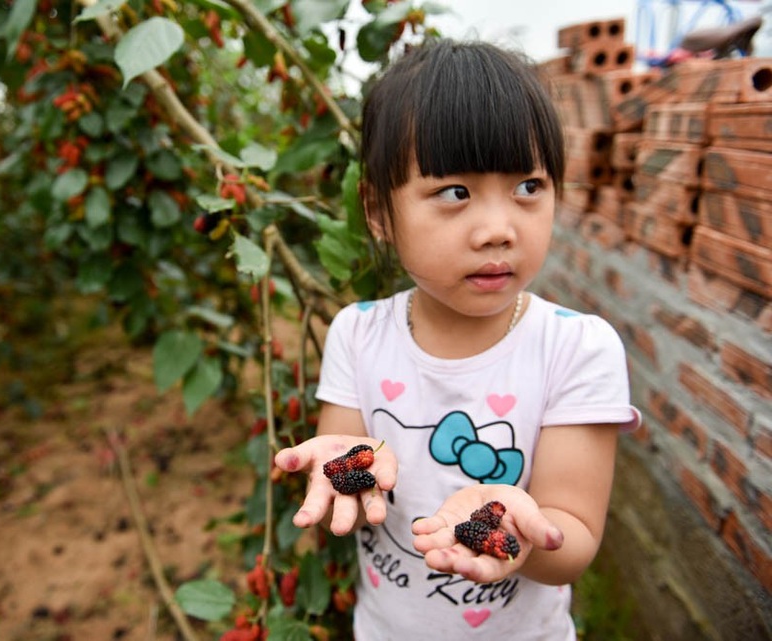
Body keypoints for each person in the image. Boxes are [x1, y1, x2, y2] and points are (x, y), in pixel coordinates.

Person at [274, 39, 640, 639]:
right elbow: (343, 467)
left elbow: (574, 534)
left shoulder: (578, 350)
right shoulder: (358, 334)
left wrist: (519, 533)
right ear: (377, 211)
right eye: (455, 193)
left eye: (527, 187)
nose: (498, 230)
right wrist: (347, 470)